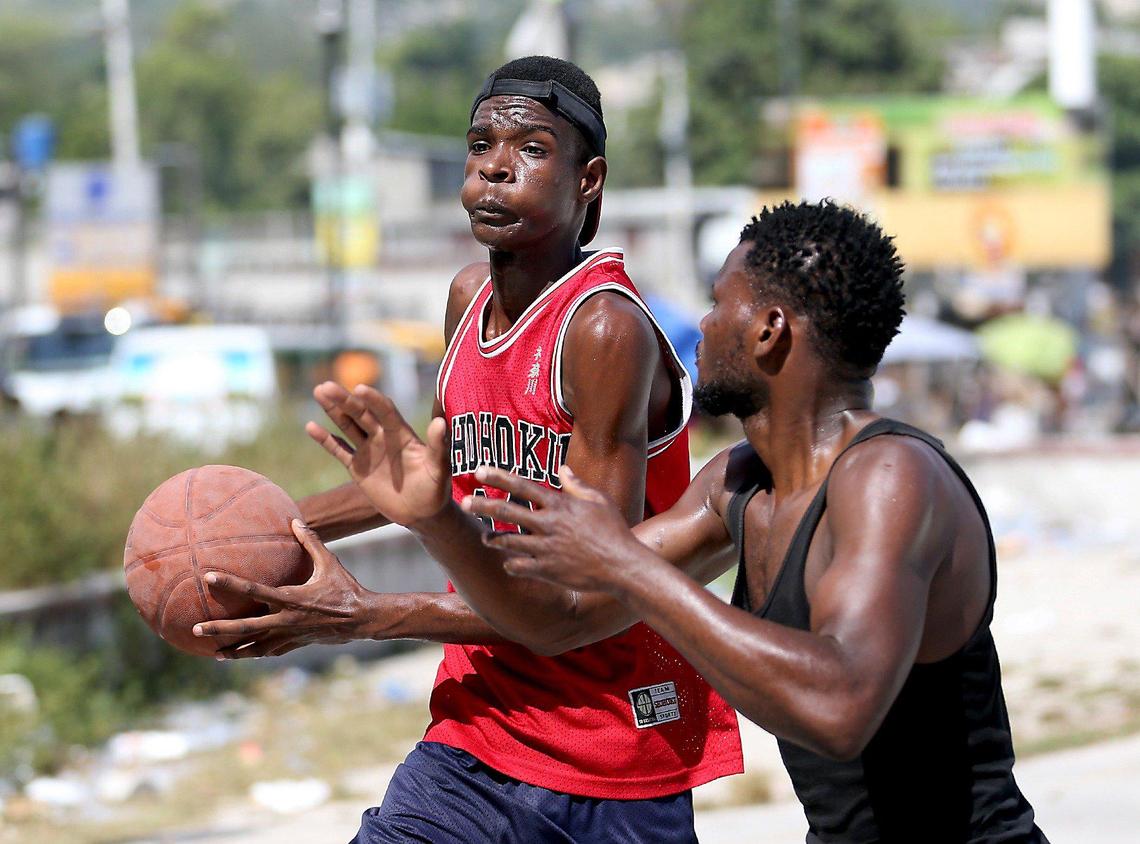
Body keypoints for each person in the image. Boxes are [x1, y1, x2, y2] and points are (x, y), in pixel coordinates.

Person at [194, 55, 742, 842]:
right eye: (480, 142)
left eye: (529, 149)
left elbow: (584, 605)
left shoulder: (602, 329)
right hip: (479, 729)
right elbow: (428, 482)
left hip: (613, 746)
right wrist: (256, 535)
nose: (494, 165)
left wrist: (369, 617)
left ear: (589, 180)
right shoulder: (467, 298)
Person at [446, 200, 1049, 843]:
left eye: (716, 302)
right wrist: (404, 565)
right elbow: (565, 614)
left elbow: (839, 707)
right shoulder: (737, 483)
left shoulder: (889, 478)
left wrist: (626, 566)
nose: (700, 325)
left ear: (769, 330)